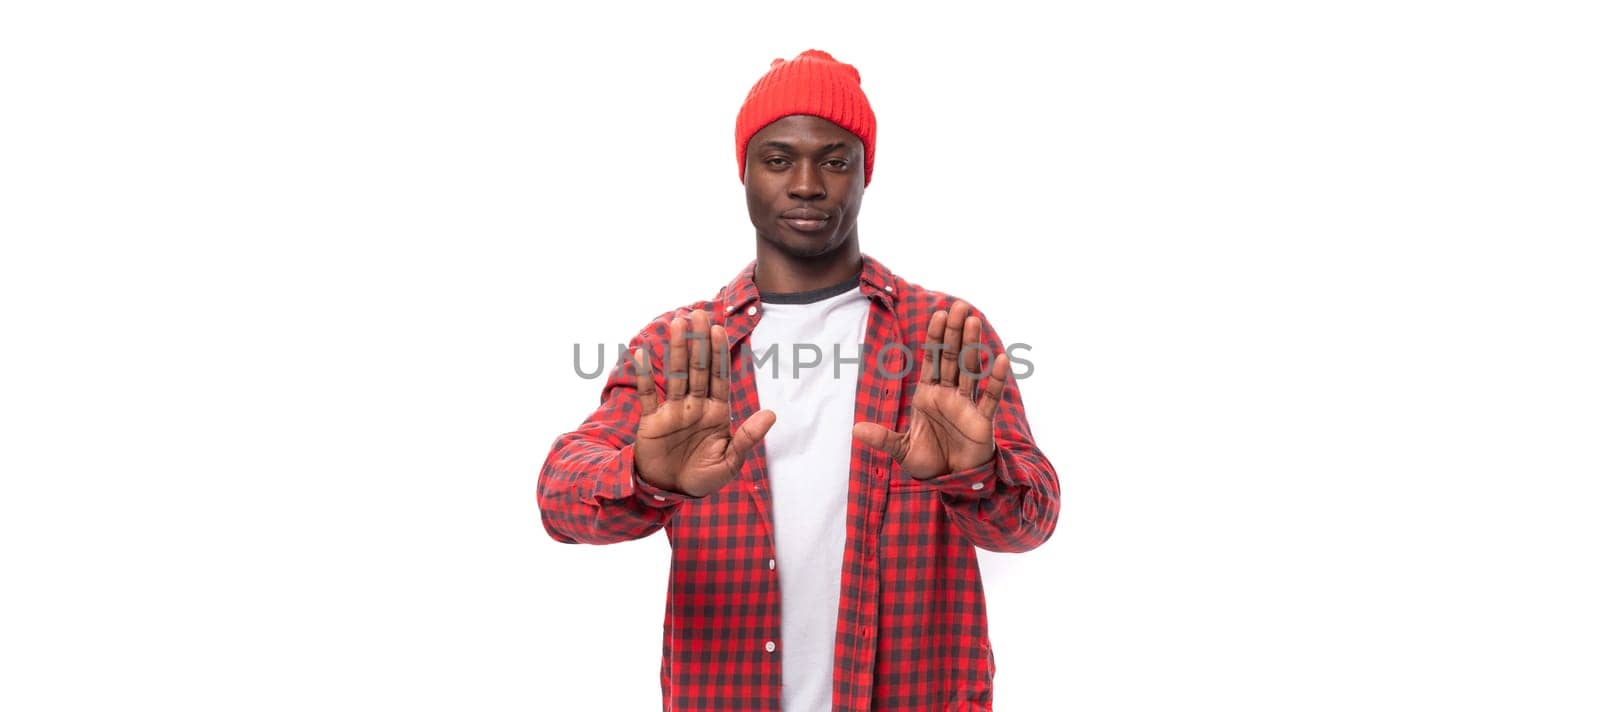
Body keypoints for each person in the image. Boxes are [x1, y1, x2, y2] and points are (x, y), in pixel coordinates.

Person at [538, 49, 1061, 712]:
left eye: (835, 160)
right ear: (746, 173)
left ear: (866, 172)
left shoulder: (944, 337)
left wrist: (976, 474)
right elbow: (559, 496)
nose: (807, 183)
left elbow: (1033, 522)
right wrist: (645, 477)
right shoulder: (683, 348)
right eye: (779, 159)